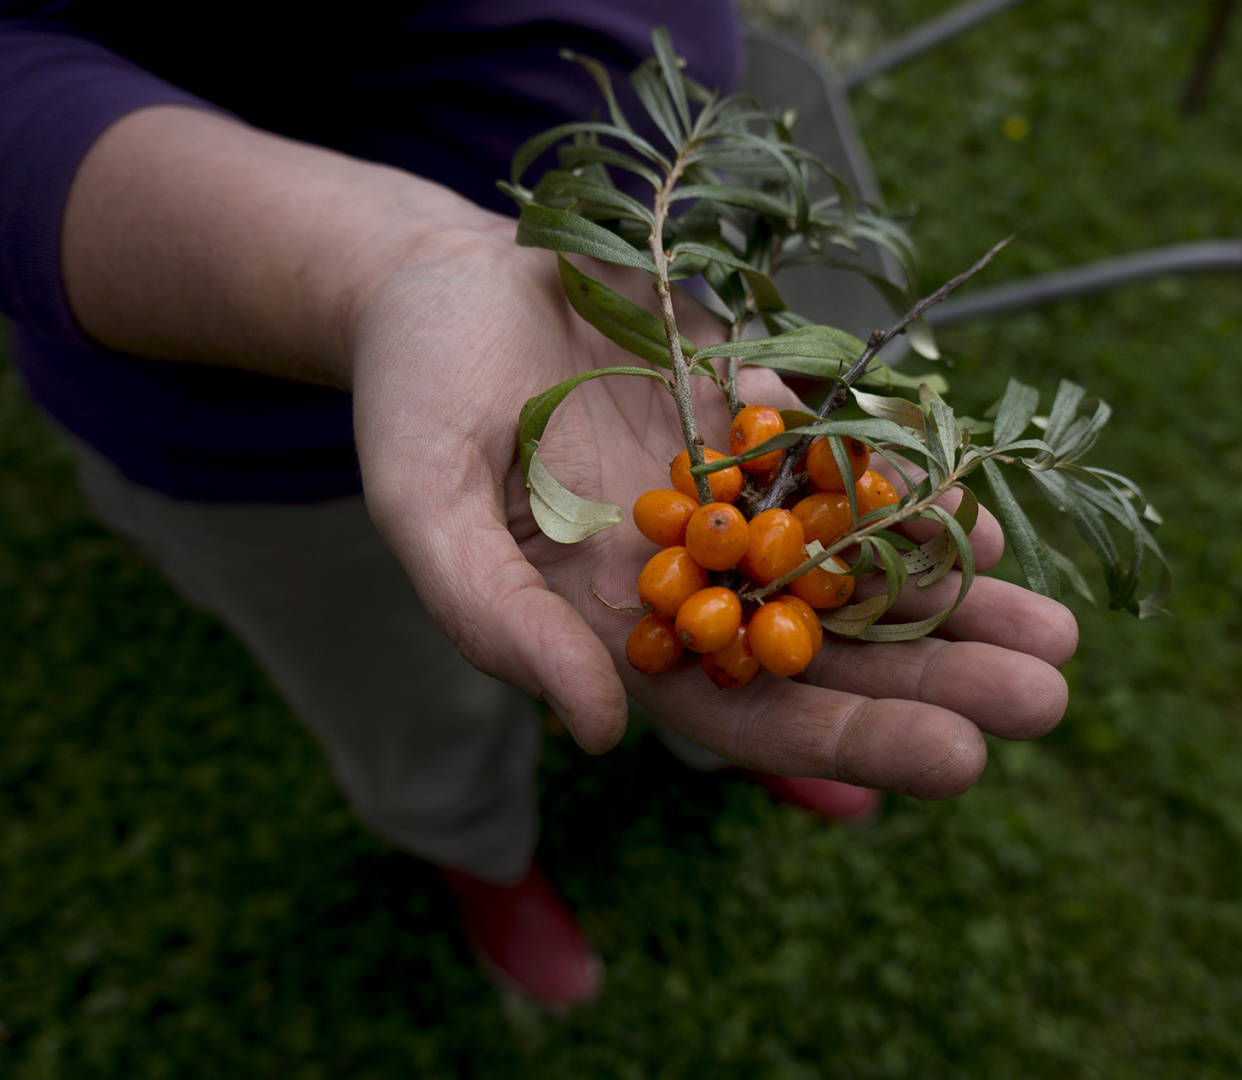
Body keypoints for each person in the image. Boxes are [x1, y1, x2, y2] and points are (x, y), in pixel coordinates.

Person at [0, 2, 1078, 1010]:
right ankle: (477, 849)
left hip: (654, 299)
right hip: (250, 420)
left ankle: (736, 746)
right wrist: (382, 263)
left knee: (721, 662)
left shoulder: (748, 520)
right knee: (401, 699)